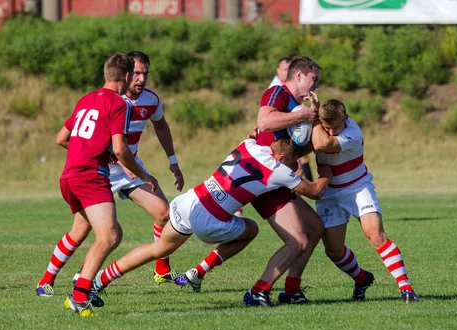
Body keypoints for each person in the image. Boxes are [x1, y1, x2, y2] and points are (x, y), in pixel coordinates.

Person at [90, 138, 331, 301]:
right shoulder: (280, 170)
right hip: (210, 219)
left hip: (189, 201)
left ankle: (100, 280)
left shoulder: (248, 144)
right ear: (280, 158)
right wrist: (327, 171)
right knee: (252, 229)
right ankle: (210, 271)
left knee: (158, 249)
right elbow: (315, 192)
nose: (296, 168)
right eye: (293, 163)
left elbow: (253, 137)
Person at [35, 51, 184, 301]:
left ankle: (160, 270)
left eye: (145, 73)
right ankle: (52, 280)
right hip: (105, 168)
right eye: (136, 73)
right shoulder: (116, 102)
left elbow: (160, 126)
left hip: (124, 168)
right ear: (126, 75)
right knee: (87, 231)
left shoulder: (147, 100)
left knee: (163, 212)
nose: (141, 78)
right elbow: (115, 147)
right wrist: (119, 160)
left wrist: (172, 161)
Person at [56, 53, 158, 317]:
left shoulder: (85, 99)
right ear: (126, 77)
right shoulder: (118, 104)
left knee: (105, 232)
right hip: (90, 176)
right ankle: (80, 295)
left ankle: (76, 287)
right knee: (109, 236)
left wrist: (96, 151)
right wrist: (144, 176)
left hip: (68, 177)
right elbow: (121, 149)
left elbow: (61, 138)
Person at [312, 99, 418, 304]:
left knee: (376, 235)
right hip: (330, 194)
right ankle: (362, 279)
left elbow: (321, 144)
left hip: (357, 188)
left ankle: (406, 288)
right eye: (327, 127)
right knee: (333, 250)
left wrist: (316, 121)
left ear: (346, 118)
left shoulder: (353, 133)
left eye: (335, 127)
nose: (332, 132)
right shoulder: (318, 126)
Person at [242, 56, 323, 307]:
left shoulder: (297, 106)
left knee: (315, 227)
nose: (316, 85)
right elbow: (264, 121)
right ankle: (258, 291)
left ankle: (291, 290)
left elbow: (297, 150)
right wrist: (302, 118)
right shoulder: (277, 92)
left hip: (278, 176)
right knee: (298, 240)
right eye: (314, 79)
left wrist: (316, 119)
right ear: (298, 76)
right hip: (263, 176)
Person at [268, 56, 314, 183]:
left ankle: (308, 183)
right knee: (298, 161)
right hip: (282, 138)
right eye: (284, 69)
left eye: (289, 69)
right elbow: (267, 120)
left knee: (303, 158)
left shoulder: (289, 88)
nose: (286, 72)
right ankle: (309, 184)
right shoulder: (276, 88)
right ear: (278, 70)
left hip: (290, 132)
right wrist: (300, 117)